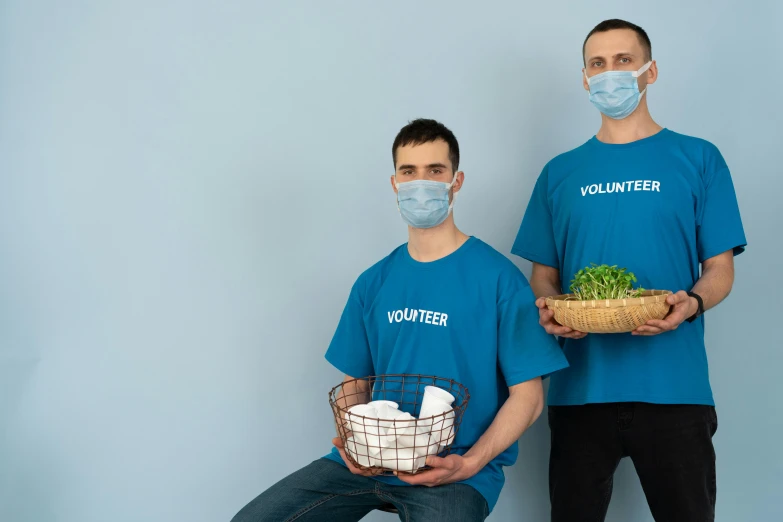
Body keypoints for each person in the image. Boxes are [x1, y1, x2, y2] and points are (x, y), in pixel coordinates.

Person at [231, 119, 569, 521]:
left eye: (435, 171)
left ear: (456, 181)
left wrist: (471, 463)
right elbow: (355, 384)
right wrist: (357, 445)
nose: (420, 183)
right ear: (394, 183)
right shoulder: (373, 282)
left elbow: (528, 398)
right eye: (409, 172)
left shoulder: (498, 280)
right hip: (367, 464)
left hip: (453, 471)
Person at [512, 19, 746, 522]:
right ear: (584, 78)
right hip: (580, 391)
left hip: (675, 389)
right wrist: (548, 311)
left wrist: (692, 303)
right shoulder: (559, 172)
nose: (610, 73)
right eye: (598, 63)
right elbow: (543, 277)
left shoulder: (699, 159)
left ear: (650, 71)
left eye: (623, 60)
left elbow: (720, 270)